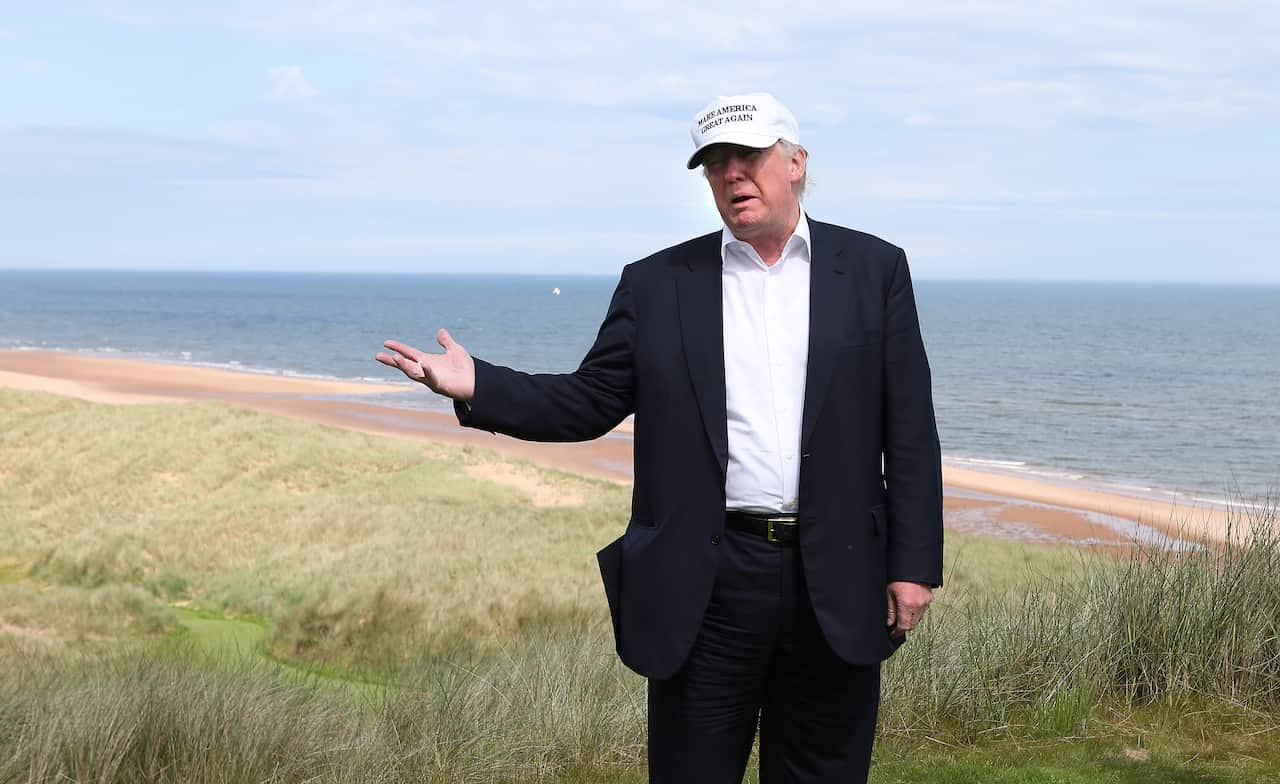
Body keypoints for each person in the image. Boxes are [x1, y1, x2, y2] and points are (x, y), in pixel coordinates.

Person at [376, 92, 943, 784]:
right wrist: (478, 385)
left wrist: (913, 565)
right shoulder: (657, 284)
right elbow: (587, 403)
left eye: (750, 157)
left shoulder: (875, 270)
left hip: (838, 578)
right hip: (705, 583)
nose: (733, 175)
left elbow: (909, 427)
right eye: (715, 164)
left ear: (795, 162)